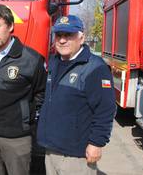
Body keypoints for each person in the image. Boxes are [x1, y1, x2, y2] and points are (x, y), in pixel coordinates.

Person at [0, 4, 46, 175]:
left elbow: (41, 93)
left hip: (17, 138)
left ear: (10, 26)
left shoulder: (31, 59)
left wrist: (27, 118)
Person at [37, 15, 116, 175]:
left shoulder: (95, 68)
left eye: (68, 35)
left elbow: (105, 110)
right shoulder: (54, 62)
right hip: (52, 149)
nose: (62, 40)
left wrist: (96, 143)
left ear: (81, 38)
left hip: (76, 156)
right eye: (59, 35)